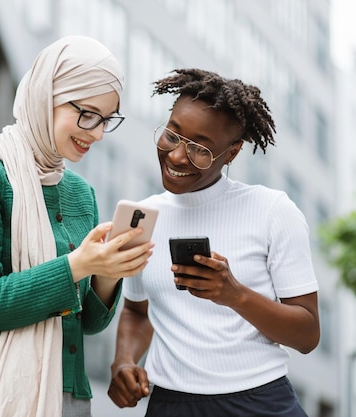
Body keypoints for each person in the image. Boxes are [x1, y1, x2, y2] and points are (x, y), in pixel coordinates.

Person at [0, 36, 154, 417]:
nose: (97, 133)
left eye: (106, 120)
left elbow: (88, 322)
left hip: (69, 393)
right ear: (47, 95)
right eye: (87, 114)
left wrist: (106, 273)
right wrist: (78, 266)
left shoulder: (80, 192)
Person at [107, 68, 320, 417]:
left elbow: (308, 334)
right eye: (172, 136)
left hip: (259, 403)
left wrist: (235, 295)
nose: (177, 157)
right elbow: (136, 309)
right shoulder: (142, 217)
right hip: (170, 405)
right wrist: (124, 361)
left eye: (200, 150)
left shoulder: (272, 210)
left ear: (232, 153)